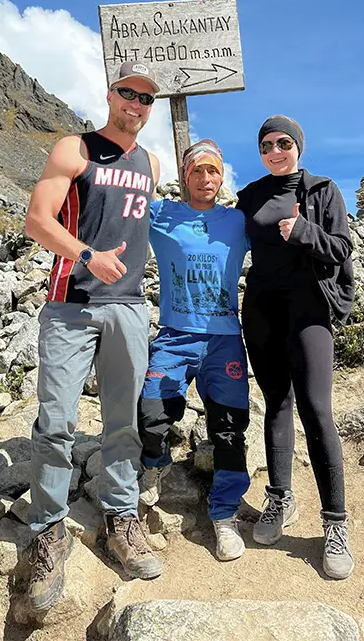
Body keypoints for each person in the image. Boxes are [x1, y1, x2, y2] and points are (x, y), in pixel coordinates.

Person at [24, 61, 164, 614]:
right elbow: (38, 220)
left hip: (129, 307)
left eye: (146, 98)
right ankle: (47, 531)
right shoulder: (74, 148)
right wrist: (87, 255)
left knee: (123, 421)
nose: (136, 104)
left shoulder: (152, 163)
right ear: (110, 94)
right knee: (56, 421)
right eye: (128, 93)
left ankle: (121, 519)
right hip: (71, 305)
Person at [236, 115, 355, 580]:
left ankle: (335, 523)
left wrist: (304, 231)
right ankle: (280, 499)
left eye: (284, 143)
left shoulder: (323, 190)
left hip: (308, 309)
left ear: (298, 146)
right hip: (262, 310)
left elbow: (341, 248)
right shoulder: (250, 195)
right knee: (276, 404)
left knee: (316, 408)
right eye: (266, 145)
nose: (275, 151)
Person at [137, 139, 251, 562]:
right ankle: (155, 463)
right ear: (185, 177)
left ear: (222, 177)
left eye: (213, 171)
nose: (205, 178)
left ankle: (224, 514)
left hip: (225, 340)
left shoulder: (237, 221)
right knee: (151, 412)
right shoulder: (162, 215)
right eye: (197, 171)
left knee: (229, 429)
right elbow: (120, 204)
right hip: (175, 336)